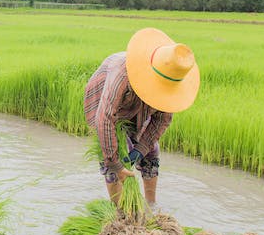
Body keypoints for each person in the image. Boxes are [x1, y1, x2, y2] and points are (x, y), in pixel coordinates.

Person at [84, 27, 200, 207]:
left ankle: (150, 206)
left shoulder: (170, 82)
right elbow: (105, 118)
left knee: (151, 150)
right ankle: (120, 212)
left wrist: (141, 148)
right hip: (107, 103)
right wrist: (116, 165)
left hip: (139, 108)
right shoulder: (121, 74)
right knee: (114, 154)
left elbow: (162, 119)